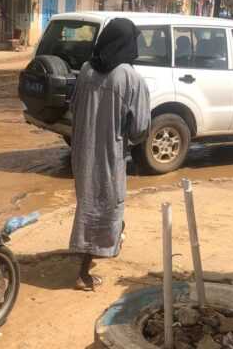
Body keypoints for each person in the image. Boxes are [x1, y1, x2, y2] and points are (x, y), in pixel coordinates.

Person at [69, 18, 151, 291]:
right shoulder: (130, 77)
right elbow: (140, 128)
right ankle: (82, 273)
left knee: (89, 202)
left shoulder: (85, 70)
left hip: (82, 151)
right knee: (106, 203)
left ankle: (105, 247)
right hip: (109, 152)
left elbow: (75, 109)